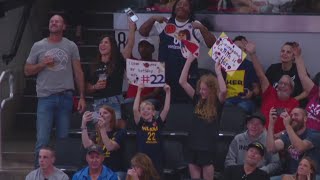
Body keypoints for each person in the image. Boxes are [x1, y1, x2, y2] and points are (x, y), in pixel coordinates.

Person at [24, 14, 86, 167]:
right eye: (51, 21)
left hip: (65, 97)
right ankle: (38, 174)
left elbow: (78, 72)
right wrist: (42, 64)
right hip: (46, 98)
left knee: (63, 140)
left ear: (64, 26)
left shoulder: (71, 46)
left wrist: (82, 96)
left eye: (57, 21)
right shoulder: (38, 46)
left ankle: (59, 175)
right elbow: (27, 70)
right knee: (42, 140)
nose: (53, 23)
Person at [139, 0, 216, 103]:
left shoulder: (195, 25)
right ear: (174, 8)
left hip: (187, 78)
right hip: (166, 78)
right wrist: (152, 18)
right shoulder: (165, 23)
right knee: (166, 110)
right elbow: (142, 32)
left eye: (185, 5)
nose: (181, 7)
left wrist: (202, 28)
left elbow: (212, 44)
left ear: (190, 10)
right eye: (179, 4)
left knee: (186, 110)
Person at [179, 54, 227, 180]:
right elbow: (182, 82)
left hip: (207, 147)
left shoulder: (217, 103)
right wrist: (188, 61)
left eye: (204, 90)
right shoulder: (197, 99)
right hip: (192, 144)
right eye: (200, 89)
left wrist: (218, 72)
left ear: (211, 89)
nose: (201, 92)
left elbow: (223, 91)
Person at [245, 41, 299, 136]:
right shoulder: (270, 92)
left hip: (281, 139)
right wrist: (252, 54)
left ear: (291, 90)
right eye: (280, 83)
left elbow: (295, 127)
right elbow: (261, 75)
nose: (281, 85)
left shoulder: (294, 103)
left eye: (285, 84)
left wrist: (278, 136)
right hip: (260, 134)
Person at [266, 107, 320, 179]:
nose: (293, 117)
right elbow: (271, 149)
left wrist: (288, 126)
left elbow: (300, 147)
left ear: (305, 119)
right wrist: (271, 124)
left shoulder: (314, 134)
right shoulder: (286, 135)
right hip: (292, 176)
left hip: (311, 176)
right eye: (291, 115)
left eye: (296, 115)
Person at [133, 84, 171, 174]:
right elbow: (135, 109)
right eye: (142, 109)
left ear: (153, 112)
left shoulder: (158, 122)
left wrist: (168, 92)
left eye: (148, 109)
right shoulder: (140, 123)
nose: (145, 111)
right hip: (142, 157)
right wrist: (139, 91)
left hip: (156, 156)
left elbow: (166, 109)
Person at [81, 105, 127, 179]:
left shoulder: (120, 132)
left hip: (115, 170)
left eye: (105, 113)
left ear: (112, 116)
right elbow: (87, 145)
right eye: (100, 113)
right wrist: (83, 124)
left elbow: (110, 147)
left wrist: (102, 128)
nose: (101, 115)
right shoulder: (96, 132)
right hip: (99, 170)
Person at [223, 35, 260, 114]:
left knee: (241, 107)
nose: (236, 51)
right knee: (226, 106)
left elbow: (257, 89)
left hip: (245, 100)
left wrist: (252, 93)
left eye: (239, 48)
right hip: (229, 99)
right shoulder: (225, 65)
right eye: (234, 48)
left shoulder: (250, 66)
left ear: (245, 51)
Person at [265, 42, 308, 107]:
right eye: (283, 51)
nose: (284, 53)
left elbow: (307, 91)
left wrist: (293, 100)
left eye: (288, 52)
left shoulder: (300, 69)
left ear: (293, 56)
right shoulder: (273, 68)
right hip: (275, 104)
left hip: (294, 105)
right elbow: (265, 87)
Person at [293, 43, 320, 132]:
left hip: (314, 138)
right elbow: (303, 76)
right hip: (300, 131)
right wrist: (297, 56)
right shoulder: (315, 93)